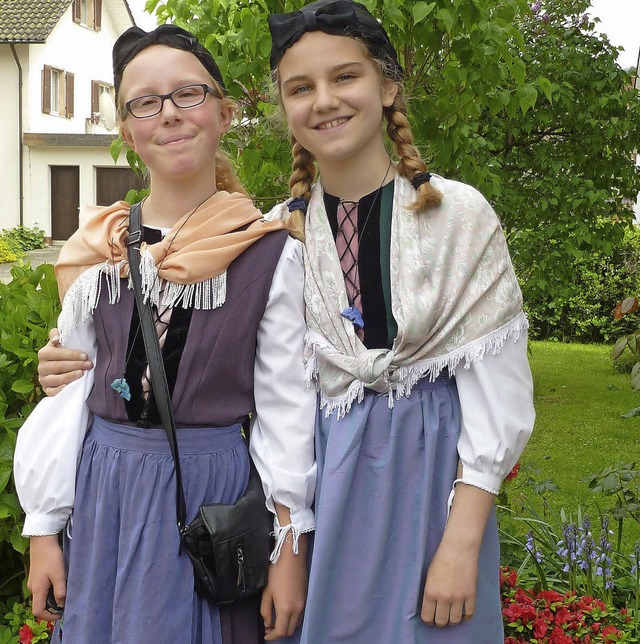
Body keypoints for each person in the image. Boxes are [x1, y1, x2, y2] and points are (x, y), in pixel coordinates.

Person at [38, 2, 536, 641]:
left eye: (346, 77)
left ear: (388, 86)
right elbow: (265, 387)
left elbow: (499, 394)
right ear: (284, 108)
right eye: (301, 88)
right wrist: (63, 359)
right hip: (320, 480)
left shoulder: (454, 216)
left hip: (425, 485)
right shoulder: (284, 232)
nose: (324, 101)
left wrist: (462, 542)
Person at [14, 24, 316, 644]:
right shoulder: (97, 247)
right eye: (145, 102)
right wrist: (44, 527)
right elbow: (68, 393)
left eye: (189, 94)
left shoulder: (267, 254)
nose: (170, 114)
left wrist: (288, 550)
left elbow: (287, 412)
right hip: (106, 496)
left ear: (224, 112)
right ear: (127, 131)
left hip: (204, 498)